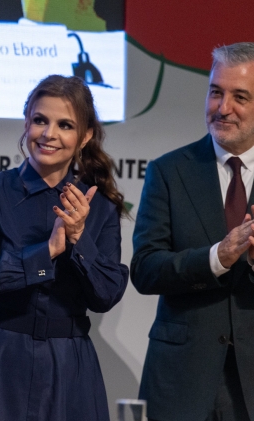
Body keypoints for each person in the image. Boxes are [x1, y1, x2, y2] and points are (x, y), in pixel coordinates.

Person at [0, 75, 129, 420]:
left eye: (65, 125)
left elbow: (106, 294)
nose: (49, 134)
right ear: (26, 121)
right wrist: (46, 251)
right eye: (40, 120)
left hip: (67, 368)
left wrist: (78, 239)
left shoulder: (101, 206)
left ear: (85, 136)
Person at [131, 42, 254, 421]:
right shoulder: (169, 171)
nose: (222, 108)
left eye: (240, 96)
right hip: (181, 379)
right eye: (216, 92)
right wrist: (217, 257)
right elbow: (146, 269)